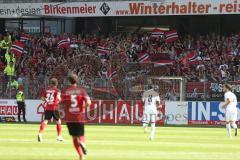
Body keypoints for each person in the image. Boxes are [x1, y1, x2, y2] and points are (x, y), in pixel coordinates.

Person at [60, 74, 91, 160]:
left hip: (69, 118)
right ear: (77, 81)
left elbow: (61, 105)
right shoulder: (82, 91)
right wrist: (83, 108)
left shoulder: (66, 91)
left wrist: (65, 107)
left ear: (69, 81)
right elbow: (89, 102)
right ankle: (82, 142)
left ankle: (81, 156)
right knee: (81, 134)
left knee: (74, 138)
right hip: (79, 116)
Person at [38, 78, 64, 142]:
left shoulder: (46, 90)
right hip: (55, 108)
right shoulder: (57, 90)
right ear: (56, 84)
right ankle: (59, 136)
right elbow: (58, 98)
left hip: (48, 107)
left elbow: (42, 98)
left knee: (45, 121)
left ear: (51, 83)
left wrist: (47, 100)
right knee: (58, 121)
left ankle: (40, 133)